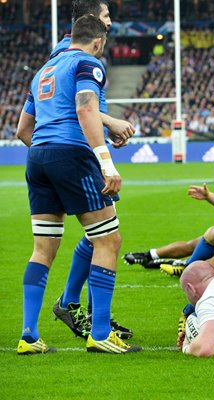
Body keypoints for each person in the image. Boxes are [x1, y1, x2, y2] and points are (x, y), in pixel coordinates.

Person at [14, 15, 140, 355]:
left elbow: (22, 131)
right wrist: (105, 162)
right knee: (108, 240)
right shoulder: (89, 63)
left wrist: (50, 158)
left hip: (37, 156)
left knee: (43, 249)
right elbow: (86, 109)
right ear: (98, 41)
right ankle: (100, 333)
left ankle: (29, 336)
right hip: (71, 154)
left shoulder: (44, 71)